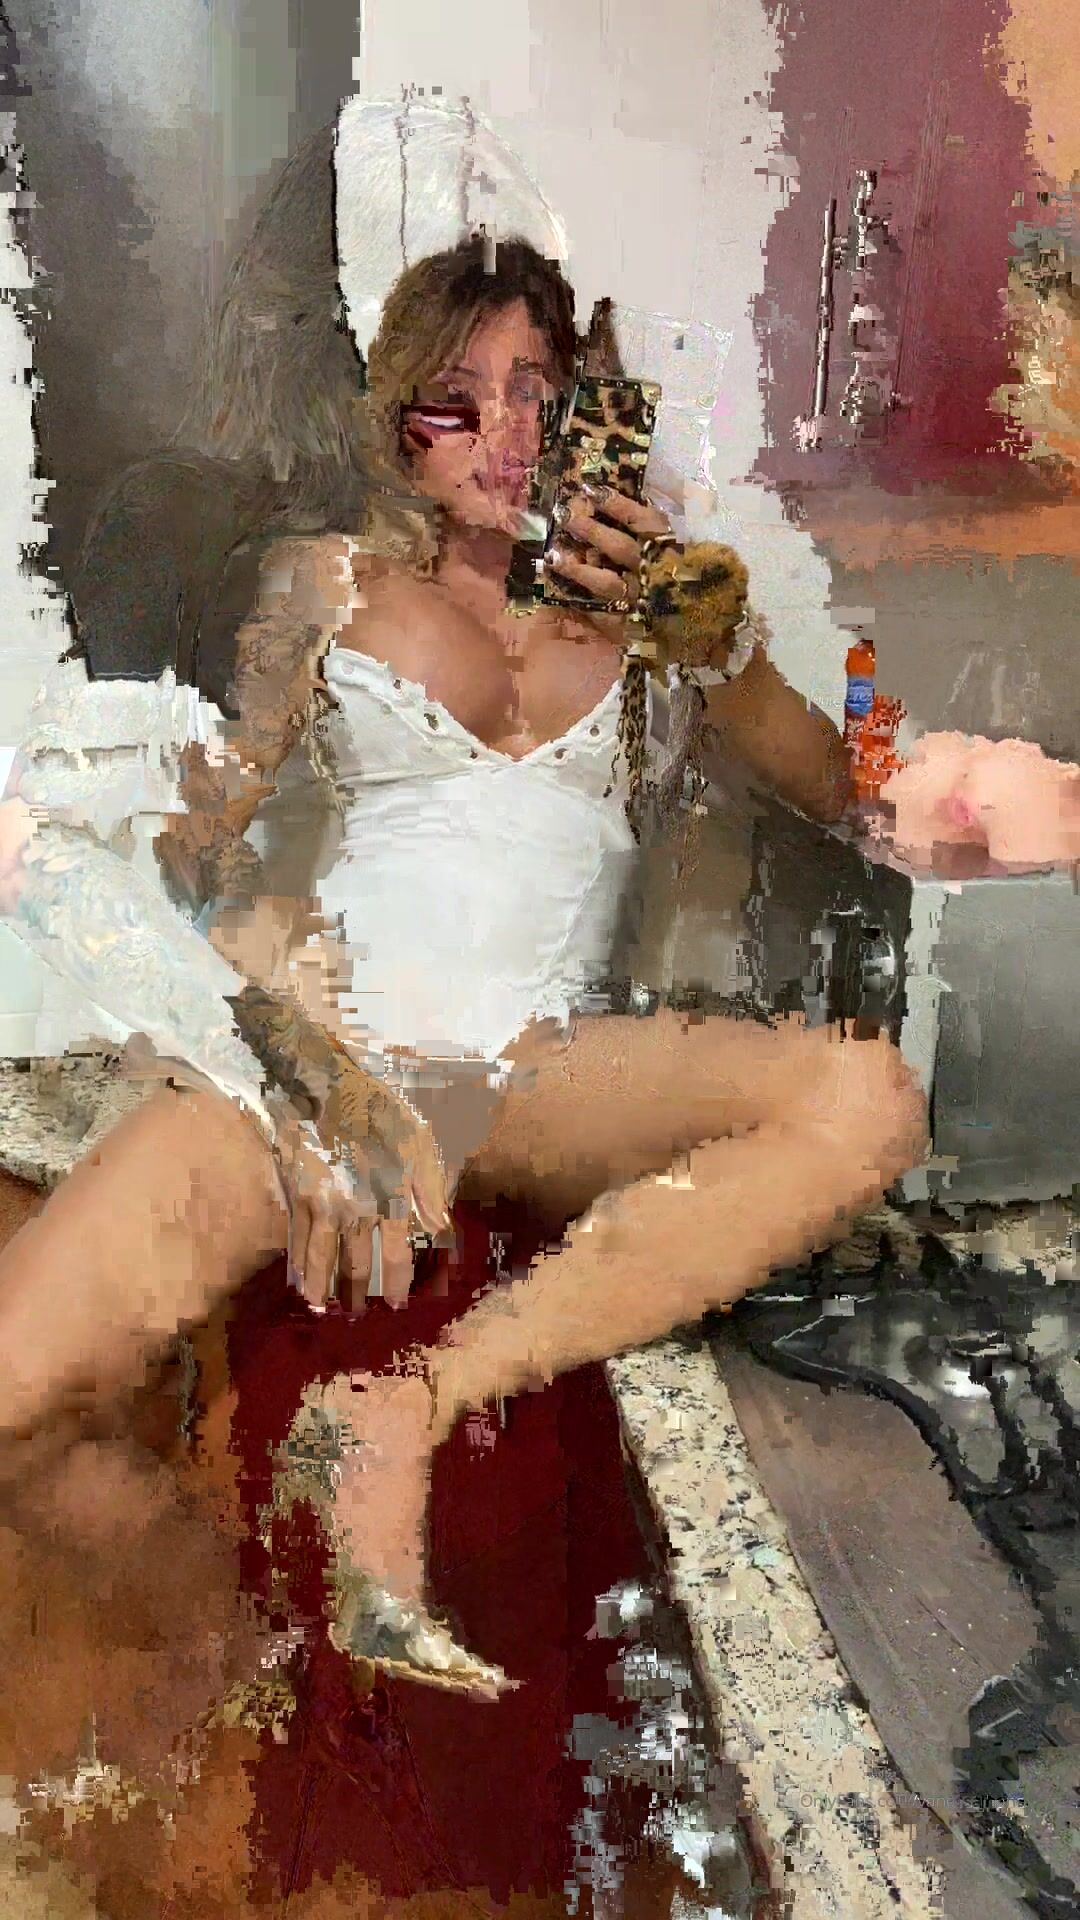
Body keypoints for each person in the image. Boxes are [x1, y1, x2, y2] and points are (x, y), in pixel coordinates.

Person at [0, 96, 926, 1907]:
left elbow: (859, 794)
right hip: (322, 1067)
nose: (505, 434)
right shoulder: (329, 589)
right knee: (17, 1392)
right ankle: (205, 1648)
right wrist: (290, 1023)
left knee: (866, 1098)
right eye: (460, 398)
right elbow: (195, 857)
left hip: (530, 1073)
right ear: (403, 427)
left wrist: (745, 637)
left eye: (541, 396)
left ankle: (418, 1402)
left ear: (589, 419)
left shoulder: (660, 617)